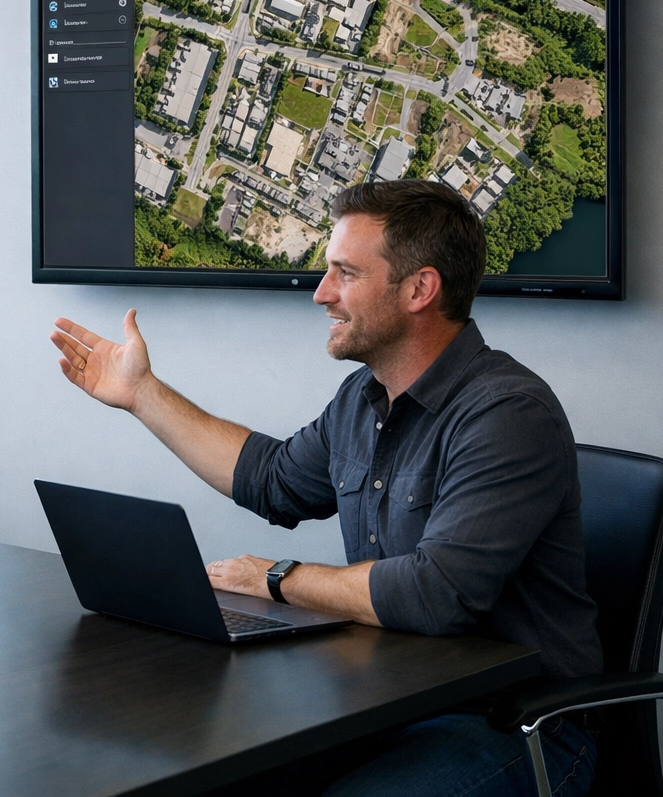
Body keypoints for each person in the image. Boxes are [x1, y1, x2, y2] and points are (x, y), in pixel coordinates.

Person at [50, 180, 600, 796]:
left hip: (516, 727)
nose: (321, 294)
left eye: (344, 273)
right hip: (392, 701)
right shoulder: (362, 400)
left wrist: (275, 577)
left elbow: (436, 593)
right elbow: (270, 479)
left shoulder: (507, 414)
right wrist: (142, 396)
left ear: (420, 289)